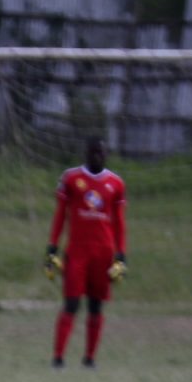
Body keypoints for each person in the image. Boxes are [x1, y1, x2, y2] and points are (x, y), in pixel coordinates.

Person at [47, 136, 127, 369]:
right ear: (86, 153)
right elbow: (61, 214)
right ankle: (58, 357)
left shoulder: (116, 183)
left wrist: (121, 253)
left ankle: (89, 359)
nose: (96, 156)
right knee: (71, 303)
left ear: (106, 154)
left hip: (103, 254)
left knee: (96, 306)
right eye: (93, 152)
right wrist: (52, 245)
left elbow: (120, 223)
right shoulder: (71, 178)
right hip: (77, 252)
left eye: (101, 152)